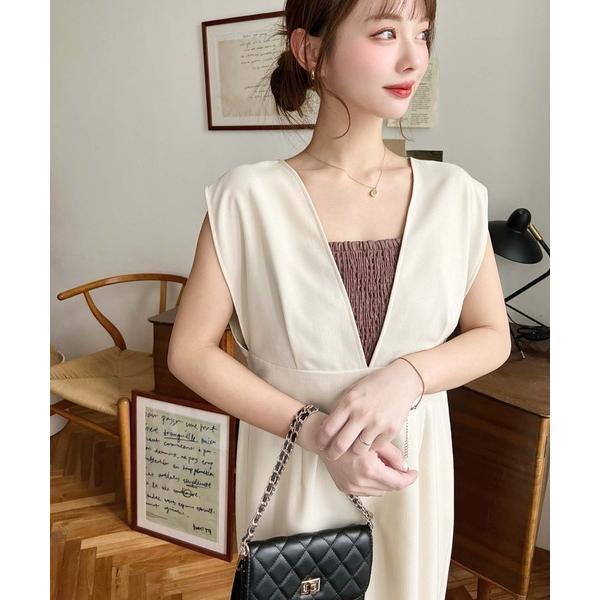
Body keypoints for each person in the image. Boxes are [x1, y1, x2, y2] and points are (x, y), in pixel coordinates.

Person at [168, 0, 511, 598]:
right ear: (311, 52)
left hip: (410, 469)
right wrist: (317, 433)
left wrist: (407, 377)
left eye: (423, 34)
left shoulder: (457, 195)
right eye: (385, 33)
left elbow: (492, 335)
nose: (414, 58)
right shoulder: (247, 198)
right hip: (295, 461)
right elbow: (190, 353)